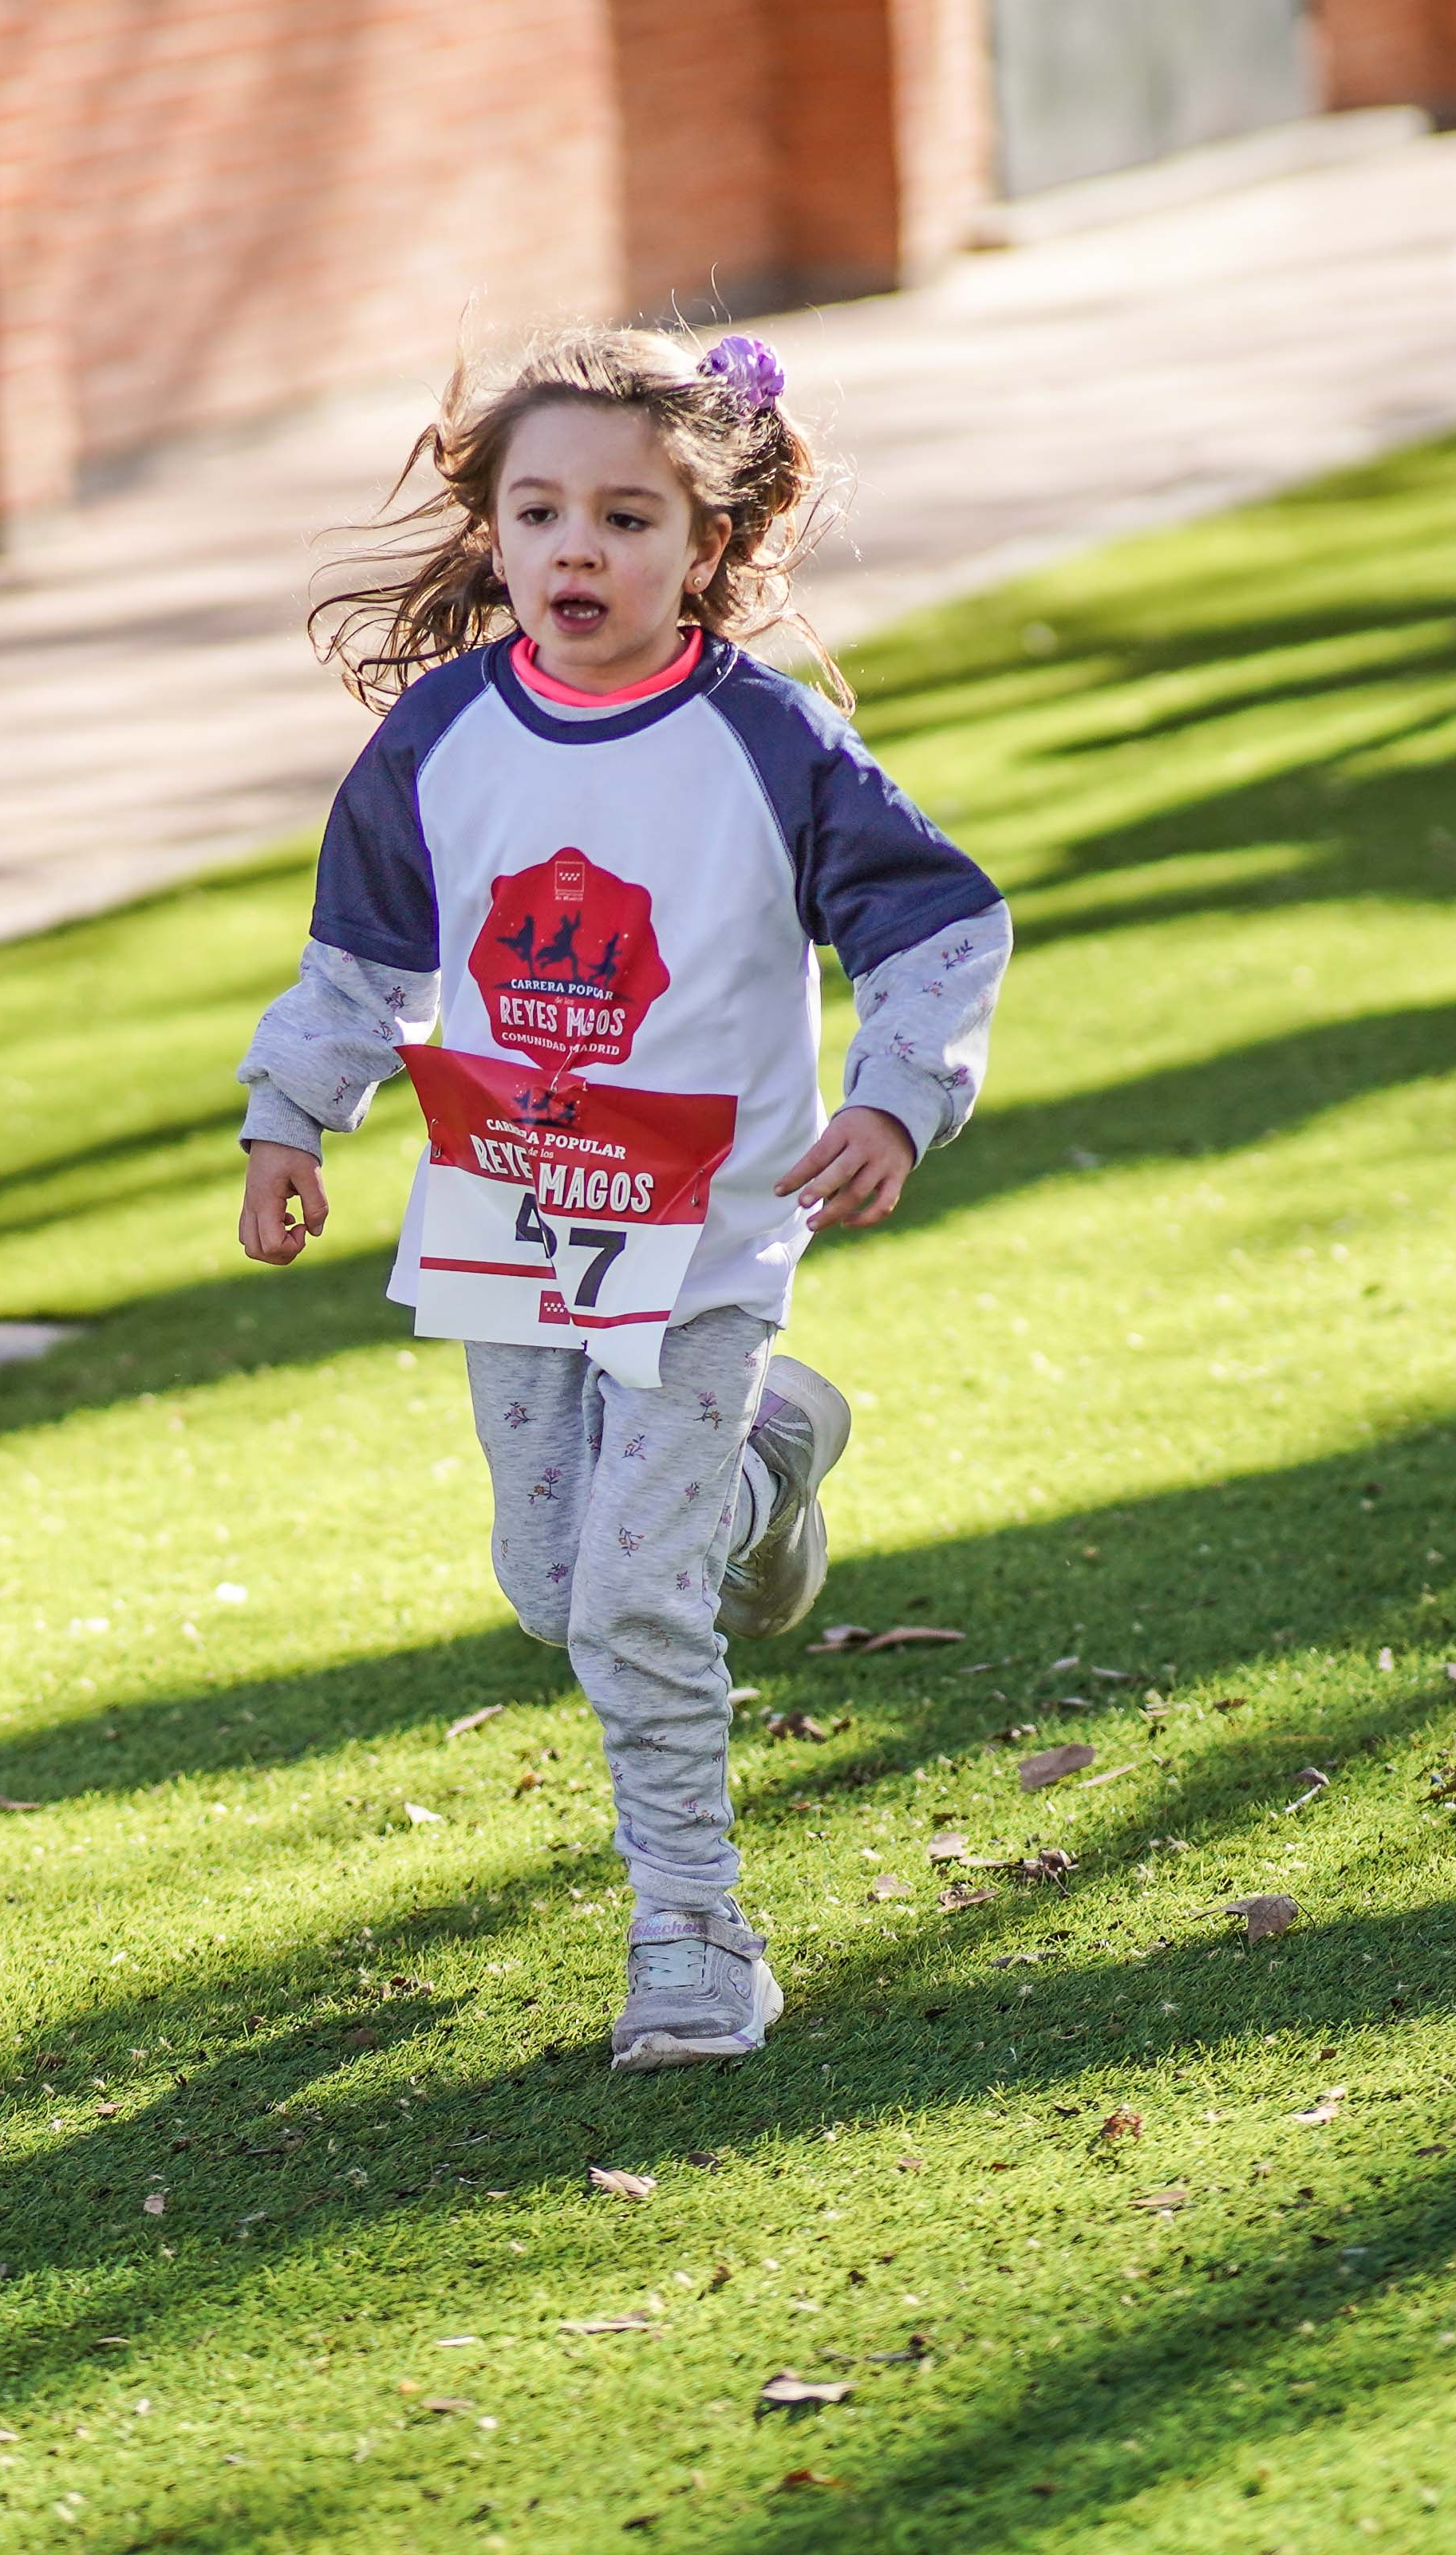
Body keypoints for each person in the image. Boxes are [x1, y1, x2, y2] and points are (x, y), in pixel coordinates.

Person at [227, 327, 1008, 2074]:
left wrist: (896, 1096)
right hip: (511, 1214)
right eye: (544, 511)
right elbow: (364, 956)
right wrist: (293, 1116)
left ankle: (697, 1933)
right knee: (545, 1574)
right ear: (492, 533)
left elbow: (943, 926)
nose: (581, 548)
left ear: (707, 548)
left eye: (630, 517)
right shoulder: (440, 733)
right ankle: (763, 1473)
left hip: (710, 1232)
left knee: (628, 1604)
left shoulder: (769, 741)